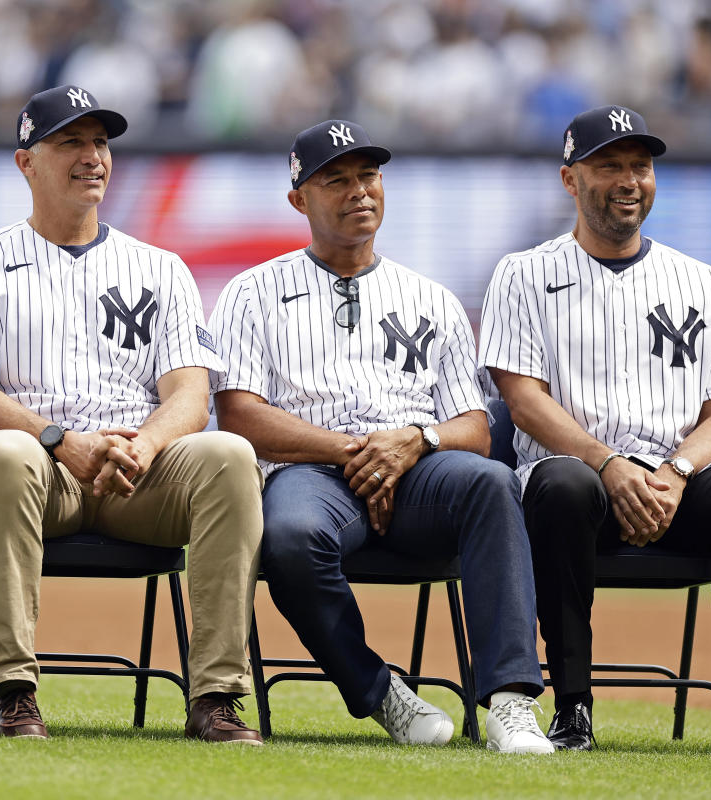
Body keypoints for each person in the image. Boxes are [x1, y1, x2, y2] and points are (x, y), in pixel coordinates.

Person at [478, 105, 711, 756]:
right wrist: (610, 465)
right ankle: (572, 707)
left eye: (641, 165)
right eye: (609, 165)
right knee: (562, 485)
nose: (629, 179)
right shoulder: (522, 273)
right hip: (576, 492)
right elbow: (522, 402)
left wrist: (674, 474)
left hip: (677, 487)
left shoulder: (700, 281)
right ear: (570, 180)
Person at [0, 85, 264, 743]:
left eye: (101, 142)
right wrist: (63, 441)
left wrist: (144, 444)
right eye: (70, 142)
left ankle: (217, 698)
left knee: (230, 455)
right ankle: (14, 693)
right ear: (26, 163)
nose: (92, 157)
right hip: (37, 469)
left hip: (140, 473)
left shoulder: (160, 268)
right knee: (2, 451)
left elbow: (191, 397)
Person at [208, 120, 554, 754]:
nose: (358, 191)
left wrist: (413, 443)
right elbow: (241, 417)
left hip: (419, 474)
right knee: (287, 536)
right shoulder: (251, 292)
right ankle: (378, 691)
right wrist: (359, 452)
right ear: (298, 200)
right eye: (335, 180)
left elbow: (474, 428)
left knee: (492, 482)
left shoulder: (432, 298)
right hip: (308, 472)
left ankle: (509, 700)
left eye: (368, 175)